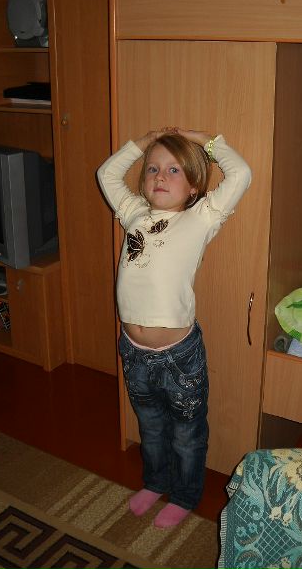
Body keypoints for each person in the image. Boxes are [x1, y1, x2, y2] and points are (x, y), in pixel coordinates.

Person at [97, 127, 251, 528]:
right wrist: (142, 141)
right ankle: (156, 482)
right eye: (152, 168)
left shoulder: (200, 218)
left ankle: (184, 496)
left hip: (179, 357)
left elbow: (241, 173)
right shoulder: (134, 214)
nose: (160, 176)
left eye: (173, 170)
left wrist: (203, 140)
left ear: (194, 186)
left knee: (186, 433)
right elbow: (107, 174)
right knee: (149, 427)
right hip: (134, 352)